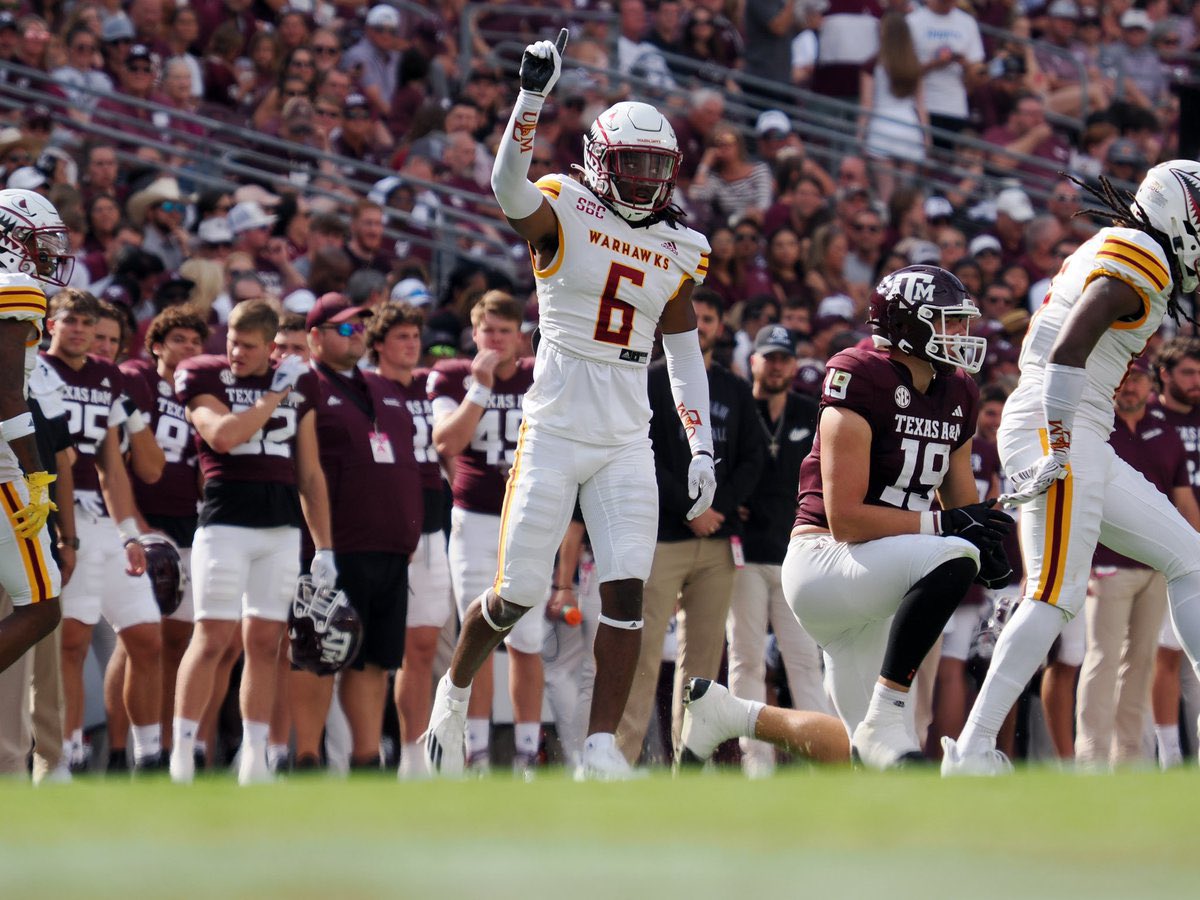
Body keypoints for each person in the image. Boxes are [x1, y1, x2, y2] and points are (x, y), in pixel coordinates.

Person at [423, 30, 716, 780]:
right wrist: (530, 98)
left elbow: (681, 350)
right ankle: (452, 697)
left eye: (660, 167)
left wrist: (700, 442)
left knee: (626, 594)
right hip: (553, 424)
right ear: (598, 160)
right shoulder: (567, 204)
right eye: (634, 164)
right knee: (518, 592)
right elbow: (505, 186)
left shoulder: (683, 245)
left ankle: (596, 748)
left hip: (626, 435)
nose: (649, 180)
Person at [944, 164, 1200, 775]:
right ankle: (974, 747)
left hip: (1078, 427)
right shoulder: (1143, 256)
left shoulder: (1130, 246)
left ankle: (975, 747)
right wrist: (1057, 440)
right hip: (1058, 421)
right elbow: (1068, 349)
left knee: (1189, 557)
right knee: (1053, 596)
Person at [785, 265, 1014, 769]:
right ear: (908, 324)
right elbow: (846, 519)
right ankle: (888, 708)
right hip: (828, 561)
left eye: (961, 323)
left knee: (882, 757)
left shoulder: (959, 391)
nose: (961, 335)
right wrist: (951, 530)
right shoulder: (859, 375)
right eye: (948, 322)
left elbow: (960, 507)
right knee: (951, 553)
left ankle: (725, 714)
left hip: (885, 577)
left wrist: (992, 548)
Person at [168, 299, 335, 786]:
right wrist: (272, 398)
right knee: (213, 637)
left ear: (270, 348)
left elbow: (308, 470)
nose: (236, 353)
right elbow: (221, 435)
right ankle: (181, 752)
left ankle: (257, 757)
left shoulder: (298, 382)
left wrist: (324, 547)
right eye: (232, 343)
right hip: (224, 522)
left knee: (266, 643)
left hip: (281, 527)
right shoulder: (203, 373)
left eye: (248, 346)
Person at [616, 289, 764, 765]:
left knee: (703, 663)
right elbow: (643, 450)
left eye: (709, 318)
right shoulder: (652, 379)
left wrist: (717, 508)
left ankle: (690, 764)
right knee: (640, 656)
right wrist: (689, 509)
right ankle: (620, 756)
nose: (700, 325)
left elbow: (753, 459)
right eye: (692, 317)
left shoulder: (736, 388)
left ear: (721, 326)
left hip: (717, 545)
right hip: (662, 538)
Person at [291, 294, 421, 769]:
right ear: (315, 337)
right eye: (344, 329)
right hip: (335, 545)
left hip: (387, 547)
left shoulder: (382, 387)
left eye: (359, 327)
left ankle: (368, 761)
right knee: (319, 650)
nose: (356, 334)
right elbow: (306, 471)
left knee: (373, 661)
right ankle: (306, 757)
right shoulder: (306, 384)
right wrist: (321, 545)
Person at [42, 288, 165, 770]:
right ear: (51, 323)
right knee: (70, 641)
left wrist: (130, 531)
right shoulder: (36, 371)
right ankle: (67, 753)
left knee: (145, 634)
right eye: (70, 320)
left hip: (101, 520)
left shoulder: (107, 376)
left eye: (87, 325)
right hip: (52, 513)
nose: (79, 331)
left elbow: (113, 464)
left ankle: (149, 753)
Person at [428, 291, 543, 774]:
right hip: (473, 515)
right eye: (486, 331)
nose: (494, 340)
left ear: (520, 334)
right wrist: (480, 388)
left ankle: (527, 752)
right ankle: (474, 751)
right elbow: (446, 441)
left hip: (532, 513)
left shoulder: (541, 371)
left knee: (527, 639)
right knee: (476, 633)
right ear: (473, 334)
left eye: (503, 331)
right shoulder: (454, 375)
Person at [1075, 357, 1199, 769]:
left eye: (1139, 380)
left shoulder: (1165, 432)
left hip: (1155, 566)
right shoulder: (1096, 429)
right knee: (1101, 658)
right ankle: (1092, 755)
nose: (1130, 388)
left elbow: (1184, 501)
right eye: (1125, 379)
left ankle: (1129, 757)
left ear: (1151, 385)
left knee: (1141, 661)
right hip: (1106, 563)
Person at [725, 324, 831, 776]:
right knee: (745, 659)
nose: (776, 366)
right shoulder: (737, 409)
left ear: (794, 363)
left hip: (797, 554)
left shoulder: (810, 412)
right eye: (768, 357)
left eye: (783, 358)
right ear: (754, 361)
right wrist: (731, 504)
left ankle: (822, 756)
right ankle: (757, 763)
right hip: (744, 555)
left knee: (804, 661)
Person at [366, 302, 454, 779]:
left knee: (419, 648)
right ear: (378, 343)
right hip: (378, 525)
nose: (411, 344)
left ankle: (413, 757)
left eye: (414, 336)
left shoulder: (432, 386)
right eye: (400, 336)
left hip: (431, 523)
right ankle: (365, 746)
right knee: (372, 652)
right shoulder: (365, 387)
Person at [0, 189, 69, 675]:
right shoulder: (14, 287)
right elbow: (5, 395)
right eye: (38, 244)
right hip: (1, 469)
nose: (45, 258)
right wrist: (37, 475)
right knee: (41, 604)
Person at [1149, 337, 1200, 767]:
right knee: (1167, 652)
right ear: (1163, 374)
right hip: (1169, 550)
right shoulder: (1151, 420)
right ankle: (1168, 754)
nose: (1196, 381)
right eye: (1187, 372)